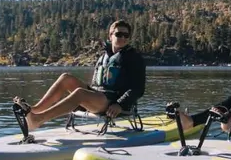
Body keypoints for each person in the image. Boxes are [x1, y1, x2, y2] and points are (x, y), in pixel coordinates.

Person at [13, 20, 146, 131]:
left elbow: (138, 88)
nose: (123, 38)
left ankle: (38, 120)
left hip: (113, 103)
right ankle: (34, 110)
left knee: (80, 93)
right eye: (119, 34)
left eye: (126, 35)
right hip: (99, 97)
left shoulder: (134, 58)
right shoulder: (104, 56)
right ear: (110, 35)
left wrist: (120, 104)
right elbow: (98, 84)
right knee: (66, 78)